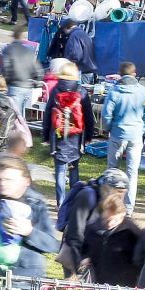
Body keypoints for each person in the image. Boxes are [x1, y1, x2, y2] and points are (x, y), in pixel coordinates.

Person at [0, 156, 57, 277]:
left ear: (26, 181)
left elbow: (52, 245)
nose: (2, 184)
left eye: (9, 180)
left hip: (26, 279)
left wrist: (29, 232)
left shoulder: (36, 205)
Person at [102, 62, 145, 213]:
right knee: (132, 173)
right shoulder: (144, 92)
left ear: (119, 74)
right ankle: (129, 208)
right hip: (136, 136)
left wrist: (108, 128)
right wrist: (141, 129)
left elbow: (106, 115)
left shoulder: (114, 91)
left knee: (112, 170)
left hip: (117, 135)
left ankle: (110, 204)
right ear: (134, 74)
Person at [57, 168, 129, 273]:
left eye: (123, 193)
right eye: (117, 192)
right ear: (106, 187)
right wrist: (79, 260)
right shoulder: (87, 196)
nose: (120, 197)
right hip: (79, 257)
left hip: (96, 258)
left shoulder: (109, 202)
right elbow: (75, 232)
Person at [41, 60, 93, 205]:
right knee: (74, 168)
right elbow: (88, 117)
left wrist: (45, 136)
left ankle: (60, 203)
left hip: (58, 136)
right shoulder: (81, 92)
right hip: (76, 138)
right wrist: (89, 136)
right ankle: (74, 201)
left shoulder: (55, 90)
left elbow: (47, 115)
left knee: (59, 171)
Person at [80, 192, 142, 286]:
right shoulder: (93, 229)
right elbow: (83, 247)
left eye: (115, 220)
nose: (110, 223)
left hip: (123, 285)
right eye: (106, 220)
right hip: (97, 283)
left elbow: (140, 258)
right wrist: (84, 258)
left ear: (123, 214)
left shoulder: (132, 232)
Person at [1, 23, 44, 114]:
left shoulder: (8, 49)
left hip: (14, 86)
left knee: (14, 117)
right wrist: (36, 83)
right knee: (21, 117)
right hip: (28, 87)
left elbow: (6, 68)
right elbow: (38, 70)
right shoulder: (28, 51)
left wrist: (6, 81)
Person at [60, 19, 97, 84]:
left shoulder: (74, 36)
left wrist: (67, 66)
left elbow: (75, 55)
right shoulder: (83, 34)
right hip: (89, 70)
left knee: (79, 91)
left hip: (81, 71)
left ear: (66, 28)